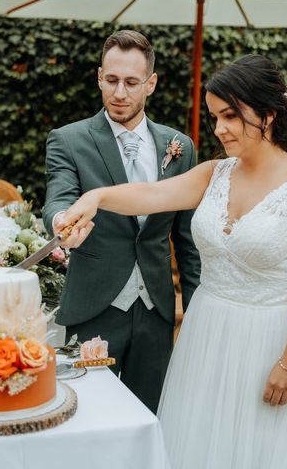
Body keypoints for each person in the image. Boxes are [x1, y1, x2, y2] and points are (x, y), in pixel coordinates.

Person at [56, 54, 287, 468]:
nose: (219, 129)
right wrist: (98, 197)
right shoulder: (215, 172)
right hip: (206, 334)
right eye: (215, 117)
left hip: (269, 339)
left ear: (268, 114)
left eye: (231, 115)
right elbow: (153, 195)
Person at [42, 30, 201, 414]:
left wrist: (196, 312)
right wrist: (64, 221)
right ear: (99, 77)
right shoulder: (68, 140)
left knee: (151, 415)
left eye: (131, 83)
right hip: (94, 307)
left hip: (157, 312)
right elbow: (59, 198)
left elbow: (189, 241)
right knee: (89, 416)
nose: (119, 93)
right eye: (111, 80)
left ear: (151, 84)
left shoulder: (179, 147)